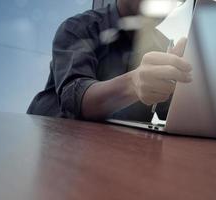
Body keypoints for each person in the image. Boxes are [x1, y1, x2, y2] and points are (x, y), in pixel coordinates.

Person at [27, 0, 192, 122]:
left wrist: (186, 87)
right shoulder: (79, 27)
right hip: (55, 140)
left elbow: (167, 111)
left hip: (122, 152)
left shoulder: (163, 45)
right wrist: (133, 83)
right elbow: (74, 99)